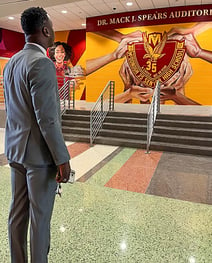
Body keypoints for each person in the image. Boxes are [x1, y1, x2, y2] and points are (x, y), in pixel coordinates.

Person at [3, 7, 71, 263]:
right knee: (40, 219)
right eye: (51, 27)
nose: (53, 31)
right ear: (45, 29)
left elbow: (14, 110)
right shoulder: (42, 63)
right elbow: (48, 119)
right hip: (39, 158)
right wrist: (62, 159)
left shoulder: (12, 63)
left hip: (16, 152)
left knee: (17, 215)